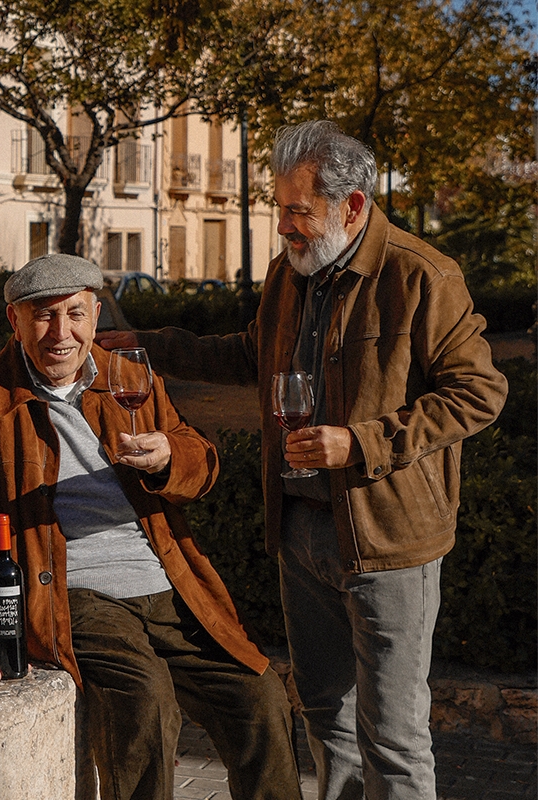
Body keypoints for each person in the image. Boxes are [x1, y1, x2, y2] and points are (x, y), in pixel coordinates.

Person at [99, 120, 508, 800]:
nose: (284, 225)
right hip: (300, 531)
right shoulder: (289, 276)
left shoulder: (423, 275)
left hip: (387, 540)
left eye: (298, 210)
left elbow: (480, 393)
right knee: (326, 719)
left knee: (395, 738)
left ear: (350, 206)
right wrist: (147, 344)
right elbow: (249, 357)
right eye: (279, 206)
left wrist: (363, 441)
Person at [0, 253, 303, 800]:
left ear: (95, 316)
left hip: (169, 582)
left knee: (260, 699)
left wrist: (167, 459)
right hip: (73, 591)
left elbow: (202, 463)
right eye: (42, 316)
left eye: (75, 314)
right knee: (145, 702)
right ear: (13, 322)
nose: (60, 333)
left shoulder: (129, 377)